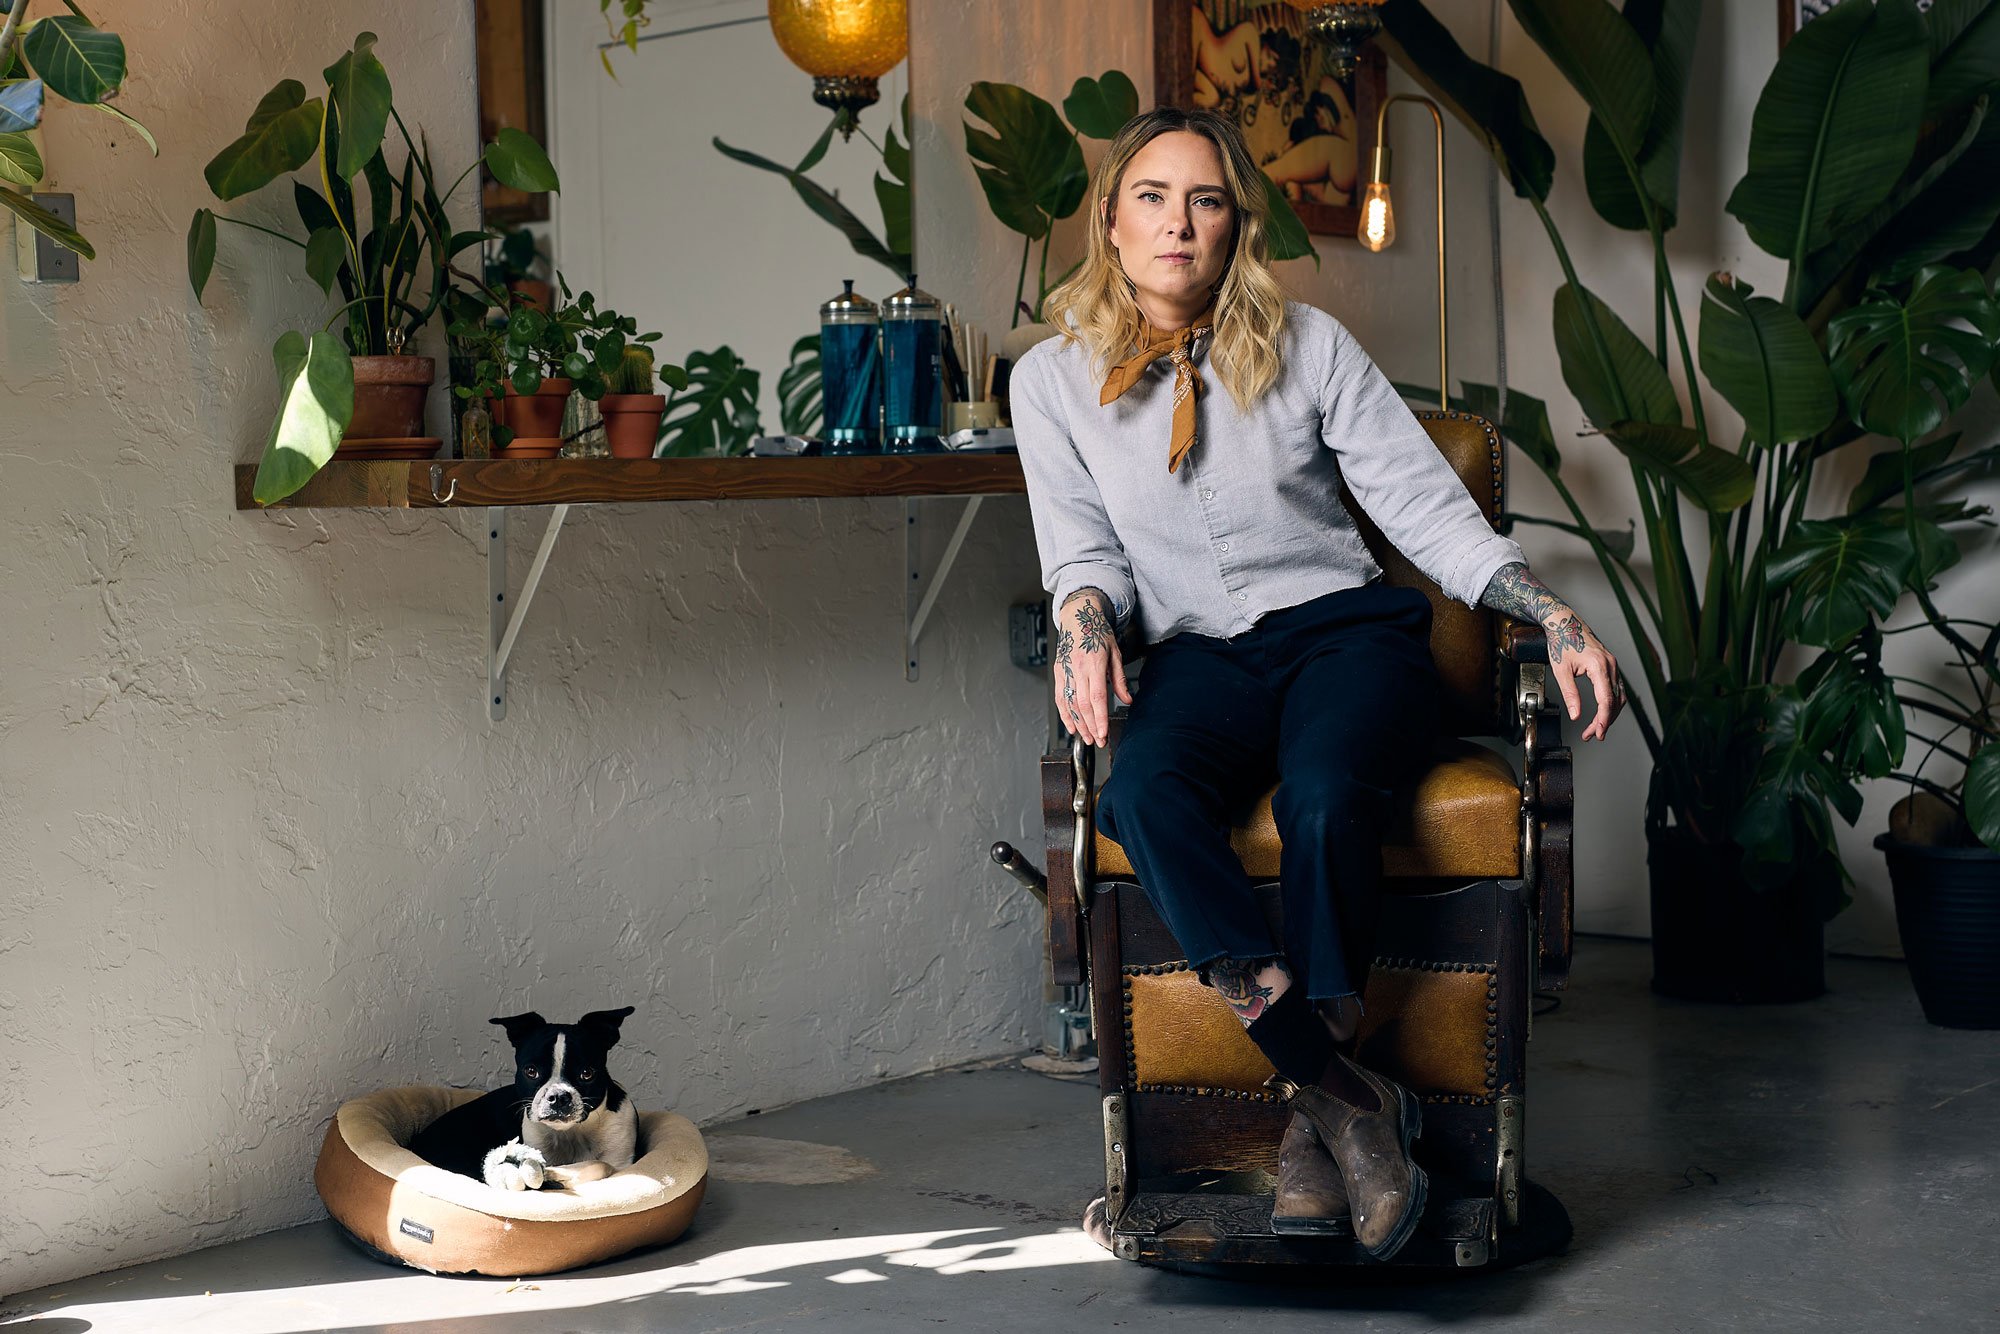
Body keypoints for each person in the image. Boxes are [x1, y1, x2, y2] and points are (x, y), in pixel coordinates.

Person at [1009, 107, 1623, 1263]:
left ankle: (1311, 1119)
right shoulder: (1049, 382)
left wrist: (1549, 611)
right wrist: (1083, 623)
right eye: (1151, 196)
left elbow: (1426, 510)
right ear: (1110, 217)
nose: (1176, 223)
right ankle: (1341, 1093)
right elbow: (1077, 550)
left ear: (1235, 222)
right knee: (1141, 793)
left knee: (1330, 791)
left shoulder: (1310, 345)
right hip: (1195, 655)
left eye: (1204, 199)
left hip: (1342, 636)